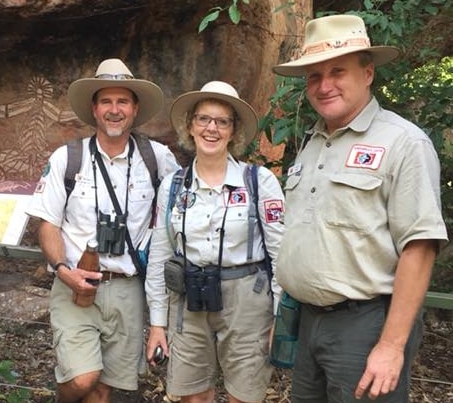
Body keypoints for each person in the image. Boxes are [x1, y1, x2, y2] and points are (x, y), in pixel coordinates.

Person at [272, 14, 448, 402]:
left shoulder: (403, 143)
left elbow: (419, 247)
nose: (324, 85)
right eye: (314, 76)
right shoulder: (314, 142)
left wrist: (391, 346)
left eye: (337, 71)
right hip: (309, 321)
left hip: (365, 325)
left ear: (367, 73)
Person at [27, 58, 179, 402]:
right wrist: (64, 272)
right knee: (83, 379)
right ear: (94, 109)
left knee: (104, 388)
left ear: (135, 108)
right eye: (106, 101)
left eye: (122, 101)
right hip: (75, 284)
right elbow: (47, 223)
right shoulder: (68, 158)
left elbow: (175, 218)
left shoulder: (158, 159)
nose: (114, 110)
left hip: (128, 287)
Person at [144, 81, 284, 403]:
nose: (212, 128)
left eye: (222, 121)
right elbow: (160, 255)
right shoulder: (174, 185)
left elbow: (279, 254)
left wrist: (280, 317)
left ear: (233, 131)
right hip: (189, 299)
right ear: (190, 125)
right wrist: (157, 324)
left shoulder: (257, 181)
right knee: (192, 396)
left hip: (247, 299)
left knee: (244, 396)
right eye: (204, 119)